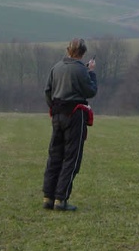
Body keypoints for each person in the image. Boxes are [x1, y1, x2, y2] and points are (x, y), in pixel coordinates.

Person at [42, 38, 97, 211]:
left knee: (55, 156)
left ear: (68, 50)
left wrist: (55, 107)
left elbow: (48, 91)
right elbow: (91, 91)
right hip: (75, 116)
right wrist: (91, 73)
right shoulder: (82, 70)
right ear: (83, 52)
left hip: (57, 115)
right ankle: (61, 199)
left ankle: (48, 197)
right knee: (71, 158)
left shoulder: (56, 67)